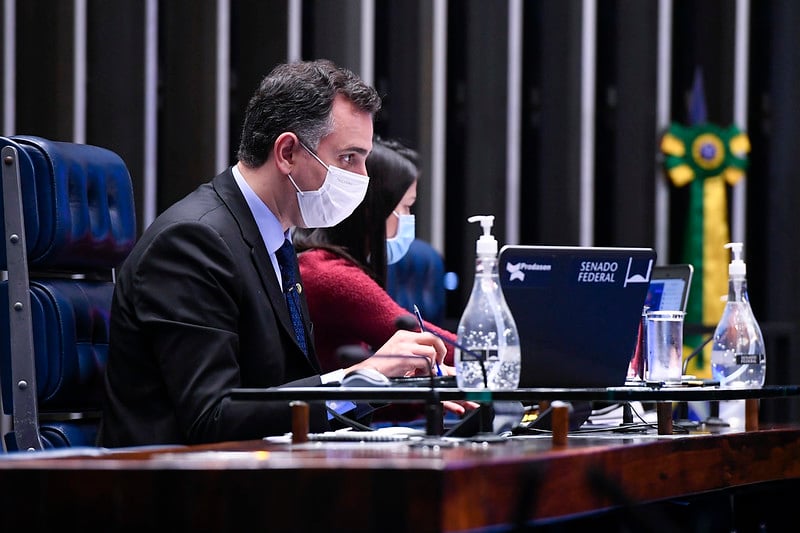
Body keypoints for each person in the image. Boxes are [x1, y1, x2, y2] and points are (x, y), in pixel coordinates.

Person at [99, 60, 450, 447]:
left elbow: (278, 392)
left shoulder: (275, 241)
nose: (364, 179)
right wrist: (361, 380)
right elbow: (211, 418)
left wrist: (383, 386)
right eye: (349, 158)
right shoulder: (193, 242)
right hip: (172, 491)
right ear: (286, 152)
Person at [293, 136, 469, 422]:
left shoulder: (320, 262)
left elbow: (347, 399)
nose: (408, 217)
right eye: (405, 207)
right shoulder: (329, 274)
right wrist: (511, 360)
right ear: (374, 209)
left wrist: (418, 398)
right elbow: (432, 344)